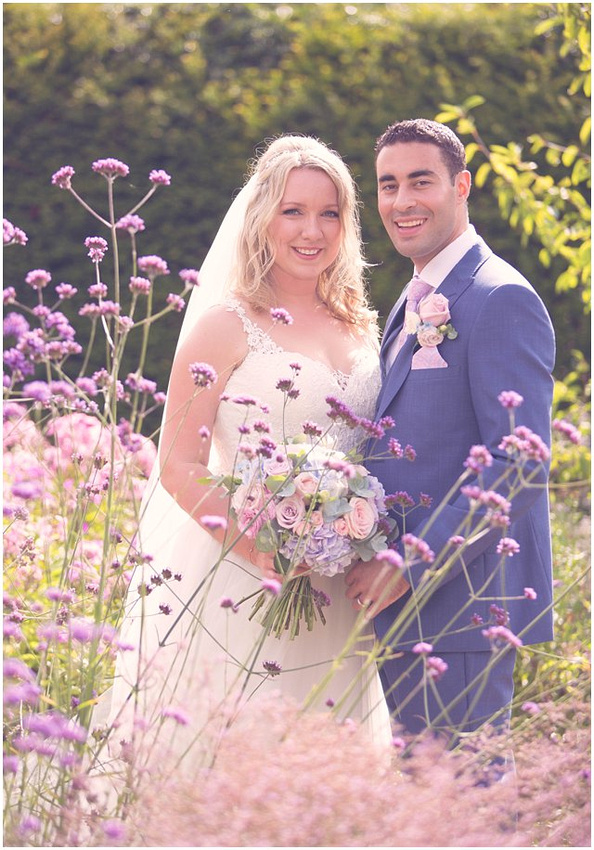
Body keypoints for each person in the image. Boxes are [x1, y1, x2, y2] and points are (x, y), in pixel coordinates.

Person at [101, 135, 392, 768]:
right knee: (233, 760)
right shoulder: (225, 325)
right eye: (293, 211)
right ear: (262, 217)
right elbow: (177, 463)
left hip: (341, 587)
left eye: (330, 213)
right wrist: (261, 542)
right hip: (241, 579)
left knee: (325, 770)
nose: (311, 230)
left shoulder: (362, 324)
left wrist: (343, 533)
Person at [346, 119, 555, 741]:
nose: (401, 201)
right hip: (406, 610)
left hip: (463, 601)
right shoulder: (419, 295)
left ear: (461, 185)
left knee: (469, 808)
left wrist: (407, 561)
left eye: (420, 181)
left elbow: (517, 459)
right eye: (387, 185)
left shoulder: (498, 297)